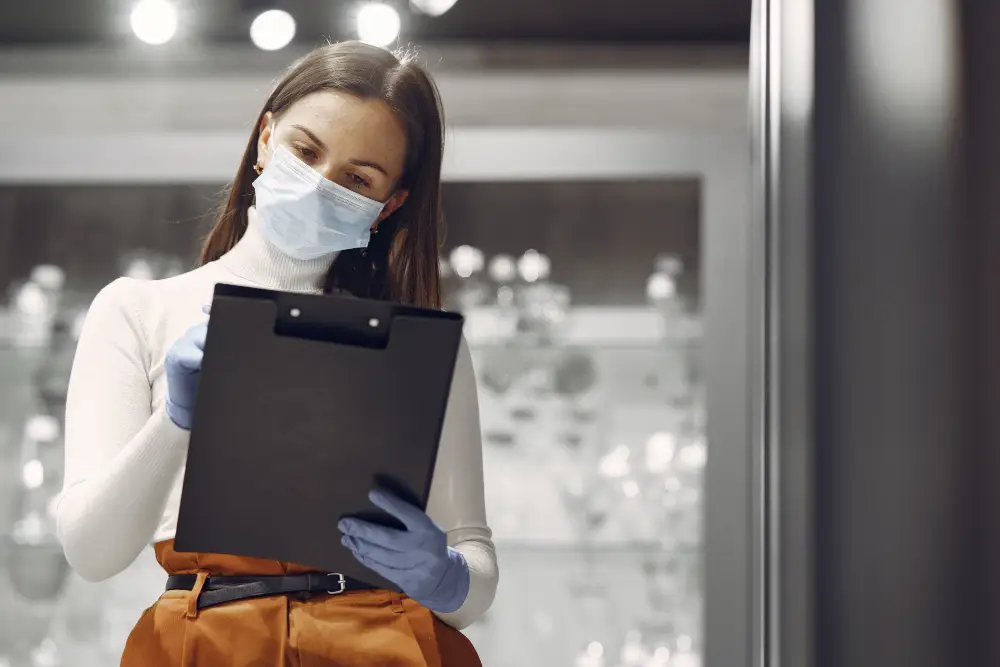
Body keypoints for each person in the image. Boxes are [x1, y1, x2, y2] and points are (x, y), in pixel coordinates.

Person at [54, 41, 497, 667]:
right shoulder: (138, 311)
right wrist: (174, 424)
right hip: (203, 646)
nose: (320, 184)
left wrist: (442, 574)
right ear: (265, 139)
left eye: (357, 178)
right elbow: (90, 552)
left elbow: (473, 571)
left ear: (389, 205)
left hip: (382, 644)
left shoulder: (419, 346)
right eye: (306, 151)